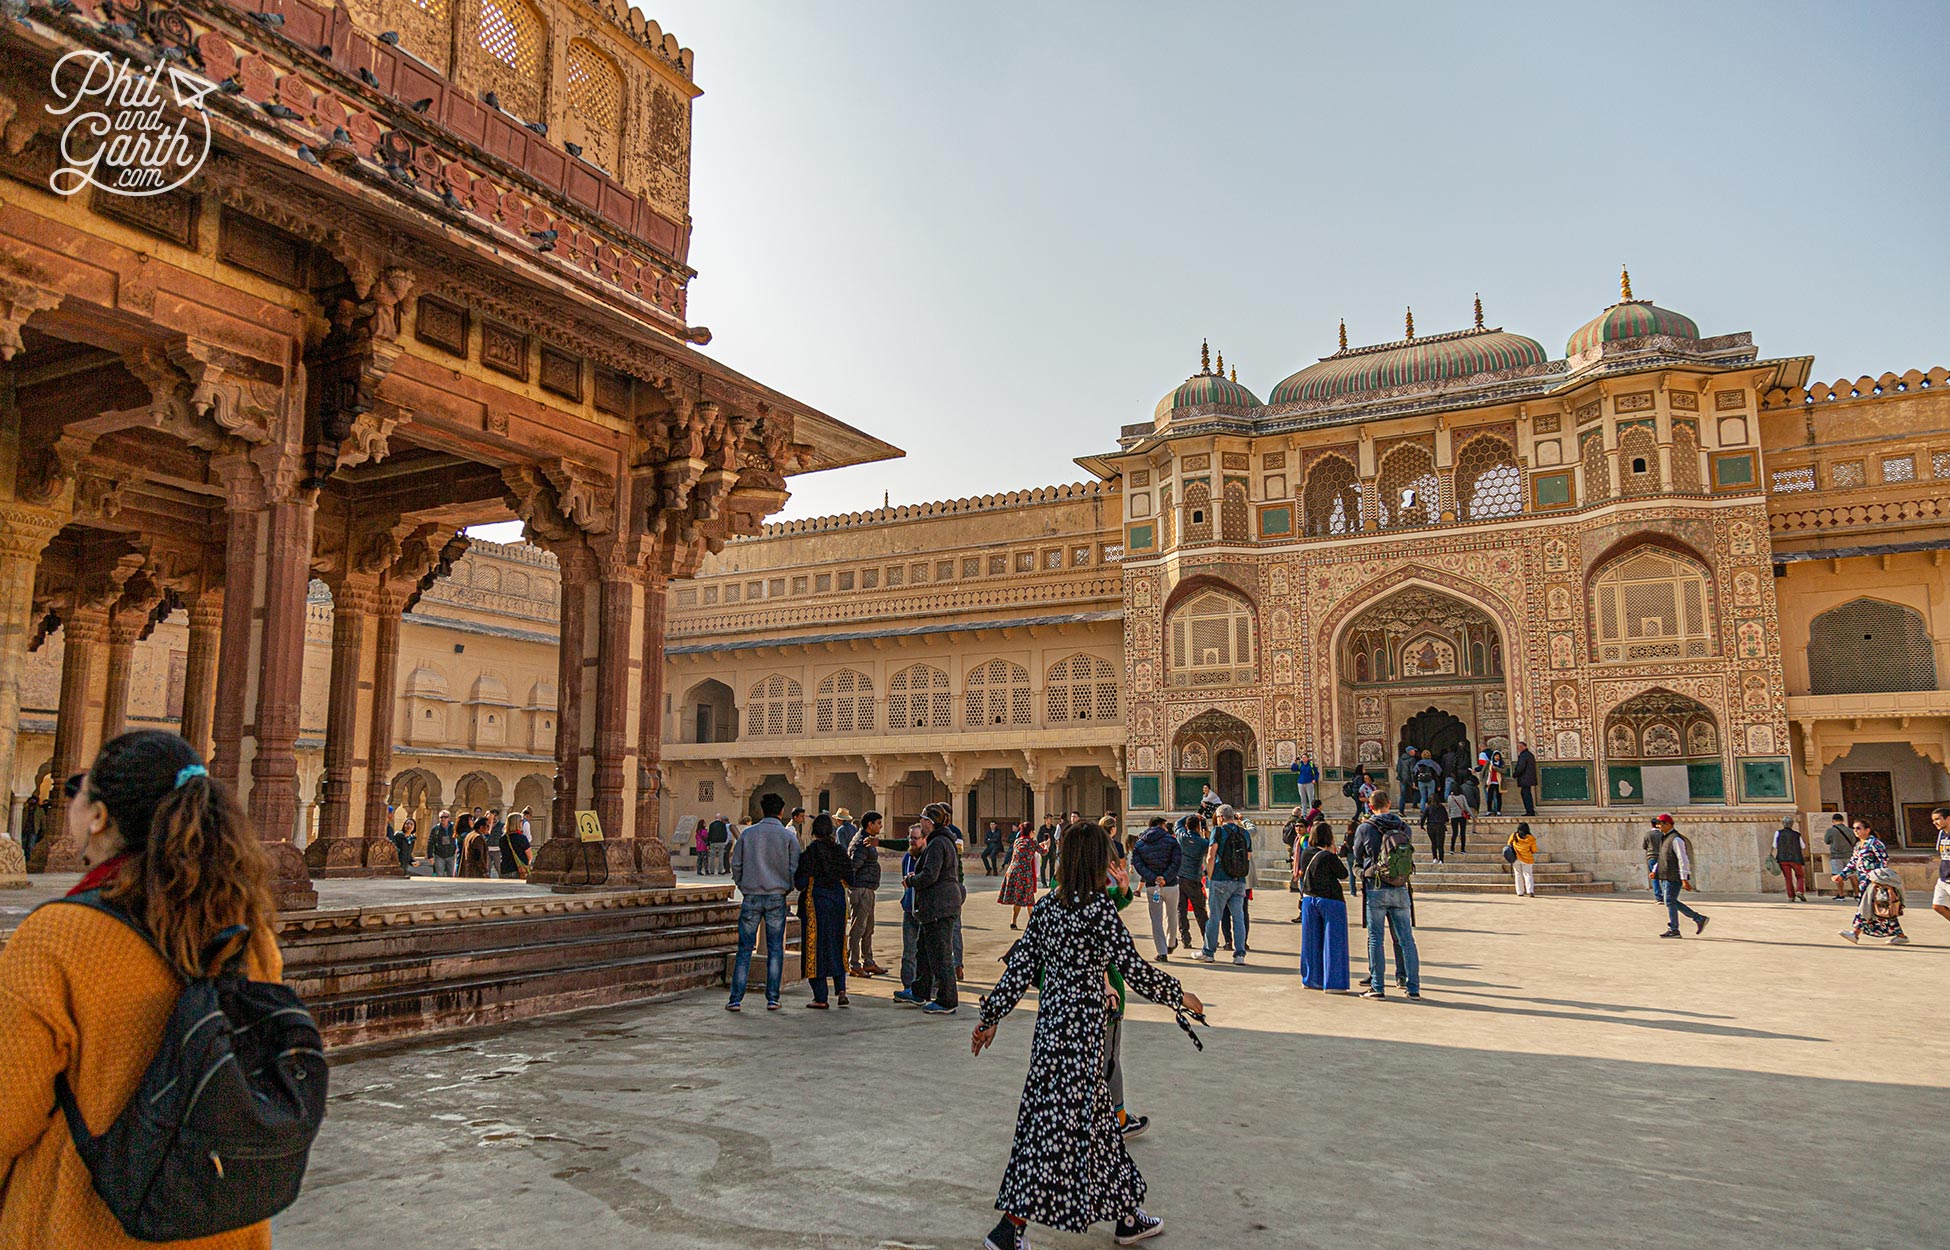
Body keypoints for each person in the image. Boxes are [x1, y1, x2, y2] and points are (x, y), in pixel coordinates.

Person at [0, 730, 284, 1250]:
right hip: (219, 1222)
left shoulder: (57, 939)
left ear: (99, 816)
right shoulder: (246, 931)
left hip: (88, 1225)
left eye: (79, 788)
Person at [971, 822, 1199, 1250]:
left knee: (1093, 1127)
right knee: (1051, 1133)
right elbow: (1132, 969)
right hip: (1081, 1037)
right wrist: (1178, 995)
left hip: (1053, 1035)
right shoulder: (1097, 911)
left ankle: (1128, 1217)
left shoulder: (1046, 910)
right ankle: (1009, 1228)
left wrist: (989, 1016)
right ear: (1095, 862)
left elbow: (1019, 970)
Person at [725, 793, 800, 1012]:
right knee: (776, 948)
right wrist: (787, 887)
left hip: (751, 894)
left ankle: (735, 998)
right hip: (777, 895)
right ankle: (773, 998)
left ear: (762, 810)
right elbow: (794, 867)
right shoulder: (788, 837)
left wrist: (743, 885)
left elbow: (736, 864)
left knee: (745, 948)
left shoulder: (749, 834)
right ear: (781, 812)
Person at [1353, 790, 1421, 999]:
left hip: (1376, 886)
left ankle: (1378, 986)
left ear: (1370, 806)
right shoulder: (1403, 827)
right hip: (1401, 886)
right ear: (1389, 804)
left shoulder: (1365, 828)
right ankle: (1413, 988)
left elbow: (1357, 854)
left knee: (1376, 939)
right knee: (1406, 939)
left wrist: (1361, 872)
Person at [897, 809, 963, 1015]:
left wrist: (911, 880)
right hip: (936, 906)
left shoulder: (938, 843)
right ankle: (920, 990)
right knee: (924, 951)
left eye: (923, 819)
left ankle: (946, 999)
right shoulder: (942, 841)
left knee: (940, 955)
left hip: (939, 906)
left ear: (931, 822)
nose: (921, 822)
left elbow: (930, 875)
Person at [793, 813, 854, 1008]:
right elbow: (850, 880)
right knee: (837, 944)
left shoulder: (810, 853)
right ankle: (841, 990)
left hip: (816, 905)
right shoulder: (839, 852)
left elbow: (800, 883)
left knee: (815, 948)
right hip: (838, 903)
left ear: (814, 832)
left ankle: (820, 997)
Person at [1297, 823, 1351, 992]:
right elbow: (1343, 874)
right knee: (1334, 941)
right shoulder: (1328, 856)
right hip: (1330, 899)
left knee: (1310, 941)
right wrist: (1334, 853)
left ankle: (1311, 979)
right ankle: (1334, 982)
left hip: (1309, 899)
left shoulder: (1306, 853)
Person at [1196, 804, 1252, 966]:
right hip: (1239, 880)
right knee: (1239, 917)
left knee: (1214, 917)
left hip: (1220, 878)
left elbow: (1211, 856)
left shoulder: (1218, 831)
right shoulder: (1244, 833)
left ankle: (1209, 952)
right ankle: (1239, 954)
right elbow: (1247, 856)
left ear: (1220, 817)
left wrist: (1211, 876)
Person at [1839, 822, 1907, 945]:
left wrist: (1880, 879)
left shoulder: (1875, 844)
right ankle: (1900, 935)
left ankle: (1855, 933)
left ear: (1867, 830)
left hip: (1874, 881)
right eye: (1854, 828)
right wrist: (1841, 875)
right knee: (1878, 908)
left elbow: (1883, 860)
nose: (1856, 831)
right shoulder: (1859, 846)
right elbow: (1853, 863)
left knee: (1865, 906)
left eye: (1858, 828)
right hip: (1863, 880)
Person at [1129, 815, 1181, 962]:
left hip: (1153, 887)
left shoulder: (1140, 844)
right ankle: (1171, 943)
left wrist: (1154, 878)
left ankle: (1162, 951)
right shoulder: (1172, 841)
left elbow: (1139, 866)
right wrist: (1165, 877)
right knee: (1172, 915)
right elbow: (1177, 862)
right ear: (1161, 825)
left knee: (1156, 919)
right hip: (1171, 885)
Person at [1652, 814, 1710, 939]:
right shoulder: (1665, 838)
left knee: (1669, 901)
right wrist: (1655, 870)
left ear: (1667, 824)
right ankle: (1698, 919)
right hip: (1665, 875)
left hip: (1673, 876)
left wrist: (1684, 879)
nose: (1658, 826)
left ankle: (1675, 928)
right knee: (1670, 901)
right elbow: (1662, 856)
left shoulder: (1676, 839)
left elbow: (1683, 859)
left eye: (1660, 824)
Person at [845, 811, 884, 977]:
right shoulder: (862, 842)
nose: (880, 826)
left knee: (868, 928)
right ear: (870, 824)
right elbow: (853, 865)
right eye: (878, 823)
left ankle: (868, 961)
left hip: (867, 889)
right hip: (861, 890)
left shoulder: (866, 840)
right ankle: (854, 963)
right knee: (858, 928)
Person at [1174, 813, 1210, 948]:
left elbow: (1178, 823)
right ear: (1198, 827)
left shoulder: (1181, 836)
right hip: (1193, 878)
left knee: (1181, 910)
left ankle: (1185, 938)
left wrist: (1193, 815)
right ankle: (1207, 937)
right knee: (1200, 910)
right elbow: (1211, 849)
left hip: (1179, 877)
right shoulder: (1202, 843)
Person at [997, 820, 1040, 928]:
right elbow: (1043, 851)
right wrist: (1047, 846)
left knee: (1019, 898)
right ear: (1030, 831)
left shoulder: (1017, 841)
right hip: (1024, 873)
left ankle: (1014, 921)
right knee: (1029, 898)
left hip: (1013, 871)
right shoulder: (1032, 842)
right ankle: (1033, 923)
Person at [1823, 815, 1858, 900]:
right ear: (1843, 820)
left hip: (1836, 856)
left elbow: (1826, 841)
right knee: (1852, 875)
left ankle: (1841, 894)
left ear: (1833, 821)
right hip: (1849, 855)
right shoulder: (1850, 831)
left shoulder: (1831, 831)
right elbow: (1854, 841)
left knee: (1838, 875)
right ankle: (1857, 894)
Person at [1774, 816, 1808, 902]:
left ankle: (1791, 896)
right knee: (1800, 876)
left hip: (1783, 858)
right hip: (1796, 858)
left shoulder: (1778, 833)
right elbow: (1803, 846)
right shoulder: (1796, 834)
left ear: (1783, 824)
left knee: (1788, 878)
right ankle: (1800, 890)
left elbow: (1774, 845)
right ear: (1792, 824)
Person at [1506, 822, 1537, 896]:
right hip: (1527, 859)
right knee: (1528, 874)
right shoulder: (1531, 838)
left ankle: (1520, 892)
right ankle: (1530, 891)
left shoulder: (1514, 836)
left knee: (1518, 875)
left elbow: (1508, 844)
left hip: (1516, 858)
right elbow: (1534, 850)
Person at [428, 810, 459, 877]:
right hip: (439, 855)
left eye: (445, 817)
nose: (443, 819)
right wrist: (430, 856)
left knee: (452, 875)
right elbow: (430, 842)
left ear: (449, 818)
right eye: (441, 817)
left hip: (451, 855)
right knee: (439, 875)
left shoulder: (454, 827)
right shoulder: (436, 829)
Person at [501, 811, 531, 879]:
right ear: (517, 823)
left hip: (505, 869)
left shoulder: (503, 838)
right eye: (521, 821)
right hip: (519, 870)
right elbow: (529, 856)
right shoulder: (522, 838)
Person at [1512, 743, 1539, 817]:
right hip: (1528, 779)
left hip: (1525, 779)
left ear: (1522, 747)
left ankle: (1529, 811)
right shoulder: (1530, 755)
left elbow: (1521, 767)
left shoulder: (1523, 755)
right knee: (1527, 794)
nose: (1518, 749)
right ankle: (1530, 810)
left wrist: (1515, 774)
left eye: (1519, 747)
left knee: (1526, 794)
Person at [1421, 794, 1448, 865]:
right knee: (1440, 844)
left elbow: (1423, 817)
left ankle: (1435, 858)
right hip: (1440, 826)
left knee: (1434, 843)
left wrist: (1422, 825)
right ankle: (1441, 859)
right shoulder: (1442, 807)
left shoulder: (1428, 807)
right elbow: (1446, 817)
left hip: (1431, 826)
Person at [1445, 787, 1471, 856]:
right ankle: (1462, 849)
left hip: (1454, 816)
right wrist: (1471, 815)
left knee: (1454, 833)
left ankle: (1452, 848)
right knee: (1462, 833)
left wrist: (1448, 816)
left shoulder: (1450, 797)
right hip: (1462, 816)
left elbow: (1449, 808)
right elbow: (1466, 806)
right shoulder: (1462, 797)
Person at [483, 809, 504, 879]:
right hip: (487, 850)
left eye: (495, 816)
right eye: (492, 815)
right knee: (486, 869)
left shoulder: (501, 826)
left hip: (497, 850)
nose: (494, 817)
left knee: (499, 868)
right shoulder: (486, 826)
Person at [1483, 752, 1505, 816]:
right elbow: (1483, 771)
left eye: (1498, 756)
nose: (1497, 758)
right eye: (1496, 756)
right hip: (1490, 782)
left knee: (1498, 797)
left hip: (1498, 782)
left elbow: (1504, 771)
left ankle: (1498, 810)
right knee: (1489, 797)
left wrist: (1496, 768)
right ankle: (1489, 810)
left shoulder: (1502, 763)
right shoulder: (1489, 763)